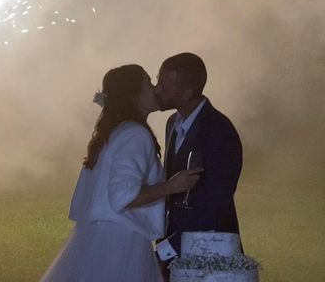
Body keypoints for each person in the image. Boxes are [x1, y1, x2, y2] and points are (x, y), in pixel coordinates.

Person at [40, 64, 201, 282]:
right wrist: (172, 186)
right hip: (120, 243)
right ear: (134, 96)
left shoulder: (116, 132)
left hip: (97, 243)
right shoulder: (134, 135)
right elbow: (123, 197)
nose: (156, 89)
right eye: (148, 83)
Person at [153, 53, 243, 274]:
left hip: (211, 257)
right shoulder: (172, 122)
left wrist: (165, 250)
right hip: (174, 253)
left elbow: (214, 206)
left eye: (163, 86)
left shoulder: (220, 131)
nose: (157, 90)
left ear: (187, 92)